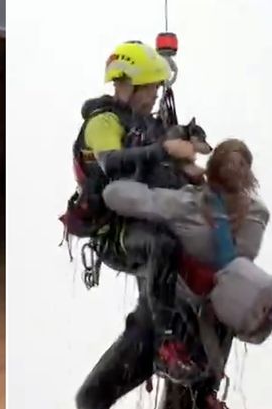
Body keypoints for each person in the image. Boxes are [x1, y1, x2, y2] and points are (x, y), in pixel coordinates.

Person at [65, 41, 204, 406]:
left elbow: (165, 147)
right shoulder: (103, 122)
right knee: (162, 246)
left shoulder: (148, 125)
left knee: (168, 248)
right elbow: (111, 162)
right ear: (129, 85)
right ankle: (165, 343)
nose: (155, 96)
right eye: (151, 89)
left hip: (144, 227)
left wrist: (187, 147)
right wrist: (164, 152)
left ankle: (168, 343)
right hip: (116, 233)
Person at [101, 138, 270, 408]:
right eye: (233, 163)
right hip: (206, 317)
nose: (236, 169)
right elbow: (116, 195)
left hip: (197, 315)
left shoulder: (189, 203)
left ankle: (199, 387)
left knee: (186, 390)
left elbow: (114, 194)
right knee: (189, 390)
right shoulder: (248, 212)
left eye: (240, 163)